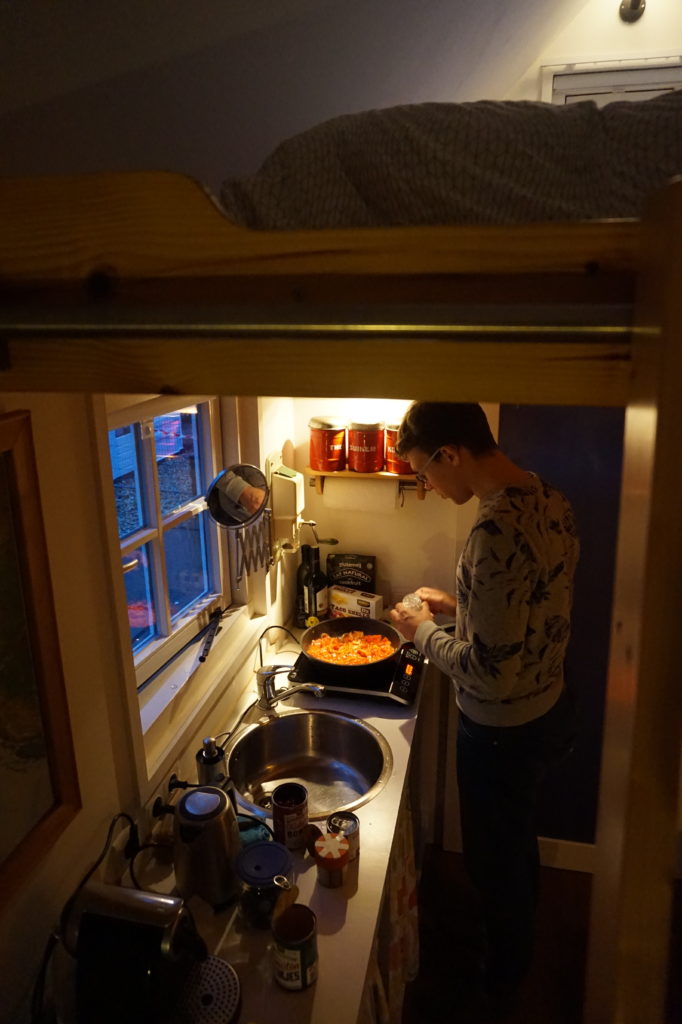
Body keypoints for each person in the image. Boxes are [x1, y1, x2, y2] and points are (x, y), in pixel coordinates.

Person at [389, 401, 579, 1006]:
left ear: (450, 453)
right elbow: (529, 609)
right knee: (516, 843)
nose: (427, 485)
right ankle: (515, 946)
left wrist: (419, 630)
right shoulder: (548, 497)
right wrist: (460, 606)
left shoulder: (491, 534)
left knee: (493, 863)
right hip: (548, 708)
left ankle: (498, 984)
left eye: (424, 471)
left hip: (501, 729)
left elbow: (489, 675)